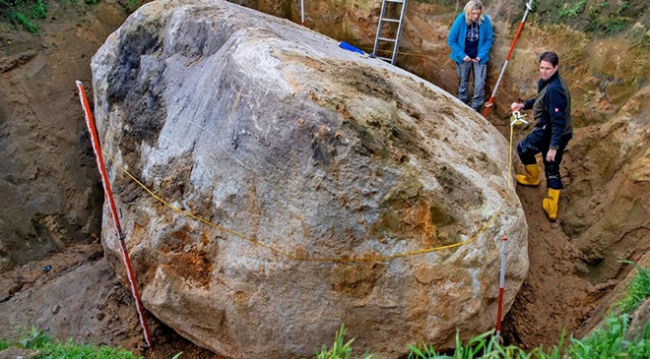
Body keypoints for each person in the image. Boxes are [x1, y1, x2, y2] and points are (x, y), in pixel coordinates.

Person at [511, 51, 573, 222]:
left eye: (548, 68)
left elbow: (558, 121)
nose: (544, 71)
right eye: (542, 68)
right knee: (550, 164)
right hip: (554, 130)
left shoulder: (555, 90)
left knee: (524, 150)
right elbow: (540, 100)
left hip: (552, 130)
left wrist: (553, 147)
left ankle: (537, 186)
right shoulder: (547, 83)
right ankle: (545, 195)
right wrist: (522, 105)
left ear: (556, 68)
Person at [447, 0, 494, 112]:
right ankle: (462, 102)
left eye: (478, 13)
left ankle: (475, 107)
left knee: (480, 83)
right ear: (468, 12)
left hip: (479, 58)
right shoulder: (460, 20)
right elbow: (451, 40)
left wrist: (481, 55)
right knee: (463, 81)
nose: (476, 16)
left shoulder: (485, 20)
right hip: (463, 57)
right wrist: (462, 55)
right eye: (473, 13)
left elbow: (489, 39)